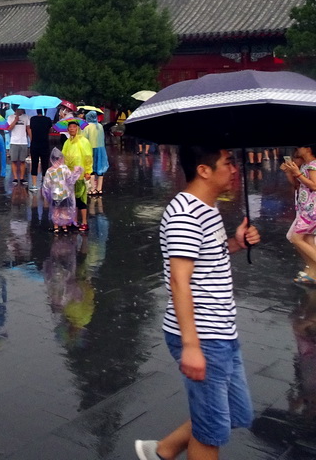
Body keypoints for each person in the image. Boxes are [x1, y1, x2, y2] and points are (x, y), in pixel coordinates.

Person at [135, 146, 261, 460]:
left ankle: (162, 451)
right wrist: (191, 345)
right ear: (204, 170)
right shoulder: (186, 214)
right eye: (228, 163)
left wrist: (236, 242)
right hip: (204, 336)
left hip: (221, 331)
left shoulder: (206, 208)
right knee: (211, 431)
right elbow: (180, 279)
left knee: (234, 412)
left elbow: (208, 259)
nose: (234, 170)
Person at [280, 145, 316, 285]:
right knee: (306, 241)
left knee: (296, 238)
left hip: (311, 210)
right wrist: (290, 172)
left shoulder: (313, 165)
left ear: (308, 148)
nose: (297, 150)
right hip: (305, 208)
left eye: (300, 147)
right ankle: (312, 273)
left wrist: (297, 173)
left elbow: (314, 186)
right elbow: (297, 185)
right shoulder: (305, 165)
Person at [62, 120, 93, 231]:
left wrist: (88, 171)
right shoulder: (67, 142)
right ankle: (74, 221)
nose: (71, 129)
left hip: (80, 175)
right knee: (72, 199)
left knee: (81, 199)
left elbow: (88, 156)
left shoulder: (83, 141)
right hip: (70, 176)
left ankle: (84, 222)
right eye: (70, 127)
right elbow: (63, 157)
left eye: (74, 127)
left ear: (77, 128)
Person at [42, 148, 81, 233]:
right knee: (64, 210)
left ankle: (56, 226)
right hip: (64, 193)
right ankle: (64, 226)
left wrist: (47, 195)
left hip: (55, 194)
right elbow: (70, 179)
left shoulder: (49, 171)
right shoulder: (64, 168)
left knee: (56, 210)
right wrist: (76, 172)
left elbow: (46, 184)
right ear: (60, 158)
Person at [83, 110, 109, 195]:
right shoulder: (100, 126)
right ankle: (99, 189)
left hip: (90, 149)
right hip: (101, 149)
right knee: (100, 168)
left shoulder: (87, 126)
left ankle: (92, 189)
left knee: (91, 168)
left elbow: (84, 139)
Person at [27, 109, 53, 191]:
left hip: (34, 144)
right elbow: (50, 130)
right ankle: (44, 183)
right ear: (44, 111)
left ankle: (34, 185)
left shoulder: (32, 119)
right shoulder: (48, 120)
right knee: (45, 164)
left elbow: (31, 129)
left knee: (34, 163)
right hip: (45, 144)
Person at [8, 107, 29, 186]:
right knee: (14, 161)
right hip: (14, 141)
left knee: (22, 161)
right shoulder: (10, 117)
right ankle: (15, 178)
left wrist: (31, 138)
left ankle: (22, 177)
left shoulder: (26, 117)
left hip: (23, 141)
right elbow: (9, 128)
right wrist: (15, 120)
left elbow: (28, 129)